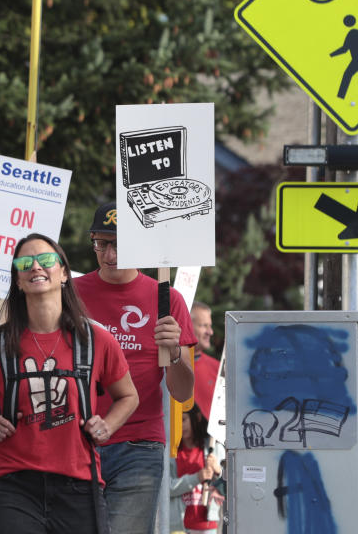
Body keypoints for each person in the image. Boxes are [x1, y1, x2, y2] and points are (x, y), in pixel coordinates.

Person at [0, 233, 139, 534]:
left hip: (78, 483)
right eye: (25, 263)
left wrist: (107, 426)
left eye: (46, 260)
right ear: (17, 279)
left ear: (64, 273)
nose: (36, 267)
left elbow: (128, 396)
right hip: (13, 483)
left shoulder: (95, 340)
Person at [73, 201, 197, 534]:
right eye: (101, 243)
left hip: (138, 445)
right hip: (77, 440)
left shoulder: (166, 299)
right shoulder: (69, 295)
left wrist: (172, 352)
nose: (110, 255)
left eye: (119, 244)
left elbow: (183, 391)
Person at [170, 406, 223, 534]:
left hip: (207, 525)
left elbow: (230, 485)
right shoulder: (171, 453)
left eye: (183, 419)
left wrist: (219, 471)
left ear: (197, 418)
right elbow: (167, 488)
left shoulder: (214, 448)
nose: (180, 426)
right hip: (179, 527)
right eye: (176, 421)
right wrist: (197, 477)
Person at [191, 301, 219, 420]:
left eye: (210, 325)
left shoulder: (218, 368)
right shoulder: (165, 367)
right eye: (203, 325)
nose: (210, 332)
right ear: (185, 324)